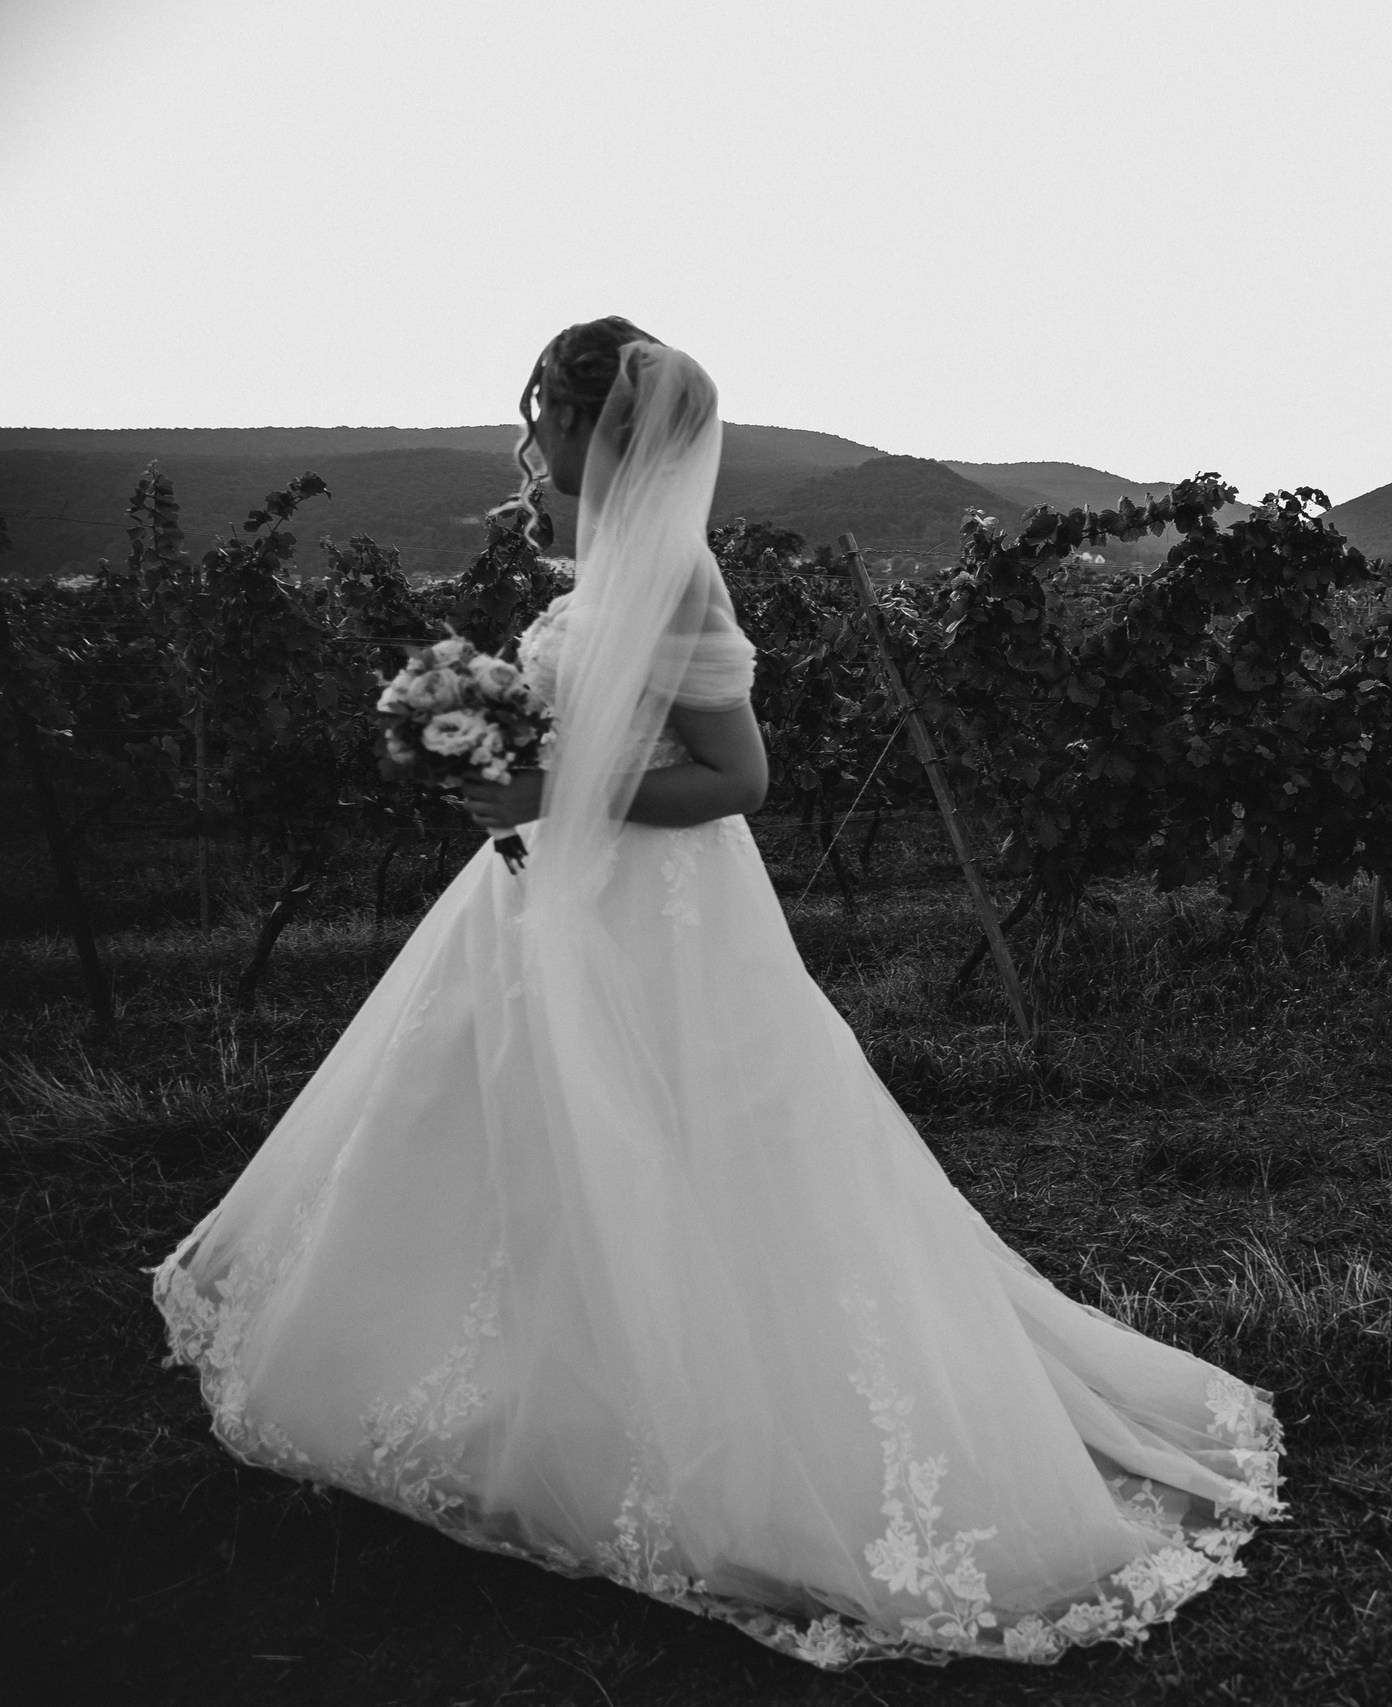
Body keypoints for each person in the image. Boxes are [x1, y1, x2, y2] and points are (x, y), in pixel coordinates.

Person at [151, 319, 1282, 1669]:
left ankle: (698, 1438)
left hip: (660, 917)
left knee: (681, 1152)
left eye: (540, 415)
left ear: (594, 428)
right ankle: (533, 1396)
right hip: (551, 896)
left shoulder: (679, 575)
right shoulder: (603, 568)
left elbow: (736, 779)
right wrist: (509, 772)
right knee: (522, 1138)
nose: (529, 440)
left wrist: (546, 787)